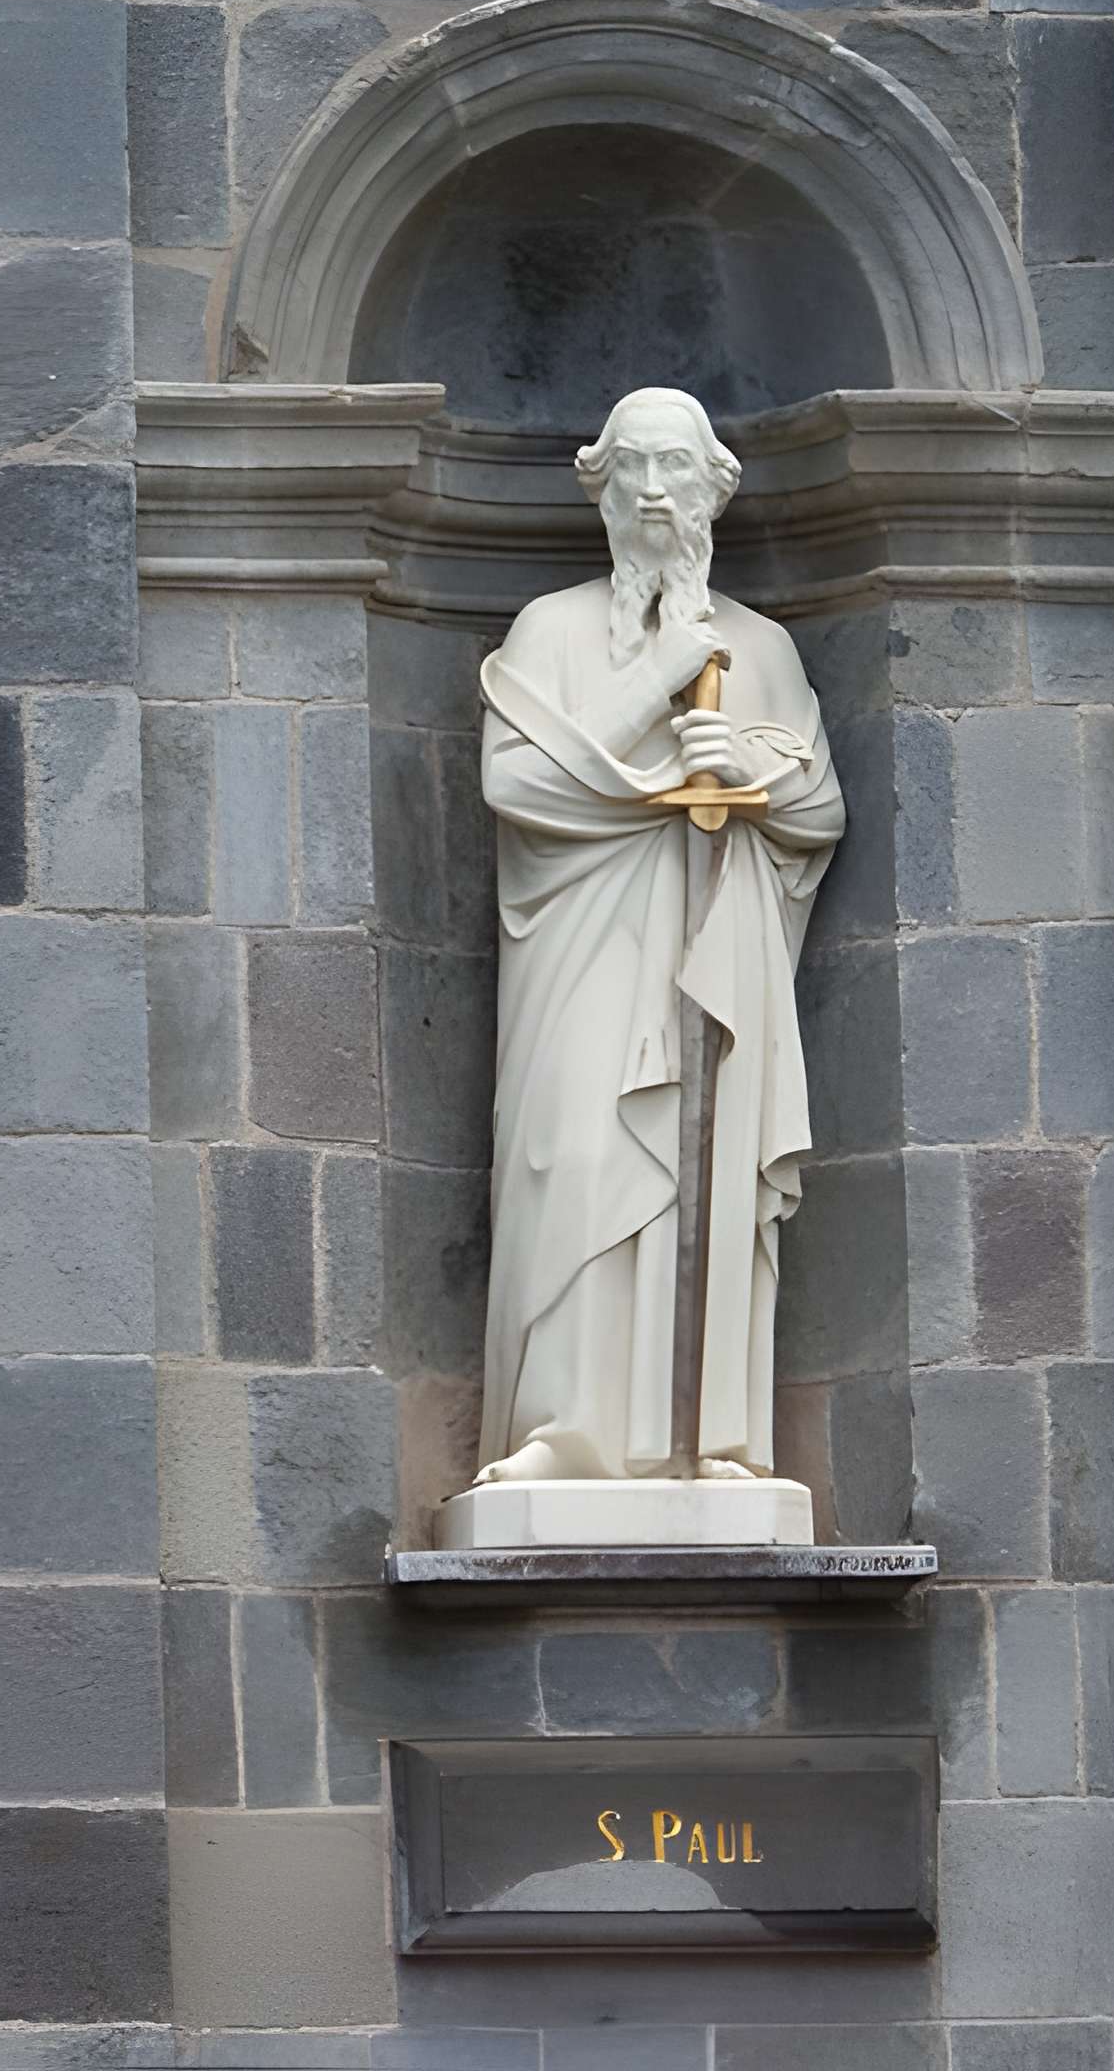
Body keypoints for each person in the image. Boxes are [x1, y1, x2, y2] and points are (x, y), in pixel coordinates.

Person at [473, 387, 844, 1486]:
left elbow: (820, 809)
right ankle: (560, 1432)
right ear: (598, 486)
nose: (649, 493)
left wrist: (752, 776)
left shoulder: (763, 648)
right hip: (585, 954)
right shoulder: (551, 631)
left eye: (673, 470)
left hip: (718, 956)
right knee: (580, 1157)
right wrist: (655, 682)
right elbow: (516, 780)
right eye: (628, 468)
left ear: (714, 488)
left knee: (715, 1175)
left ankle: (712, 1438)